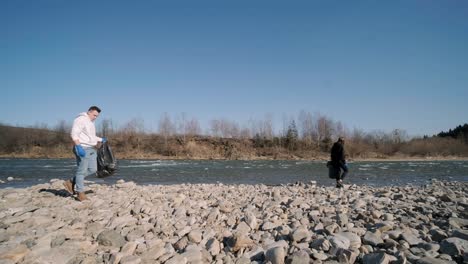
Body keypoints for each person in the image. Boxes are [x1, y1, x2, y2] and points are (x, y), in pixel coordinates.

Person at [63, 106, 106, 201]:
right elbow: (74, 134)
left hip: (91, 148)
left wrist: (100, 139)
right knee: (81, 171)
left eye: (97, 116)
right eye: (94, 115)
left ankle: (71, 182)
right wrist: (78, 146)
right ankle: (80, 193)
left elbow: (91, 136)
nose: (95, 117)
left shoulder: (91, 122)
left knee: (93, 169)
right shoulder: (81, 119)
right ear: (89, 112)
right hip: (82, 148)